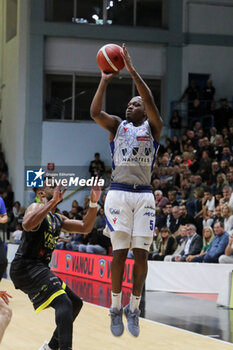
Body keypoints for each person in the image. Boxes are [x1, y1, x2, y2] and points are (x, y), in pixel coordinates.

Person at [90, 43, 162, 337]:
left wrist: (131, 70)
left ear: (144, 109)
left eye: (135, 104)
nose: (129, 106)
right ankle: (115, 307)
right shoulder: (117, 125)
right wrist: (104, 79)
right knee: (119, 254)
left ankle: (135, 307)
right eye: (128, 104)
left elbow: (149, 98)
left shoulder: (154, 127)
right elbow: (95, 112)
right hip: (119, 192)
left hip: (144, 194)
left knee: (141, 256)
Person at [10, 183, 101, 350]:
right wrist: (50, 204)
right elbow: (27, 224)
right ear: (42, 193)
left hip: (40, 267)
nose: (58, 187)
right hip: (25, 266)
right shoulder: (35, 207)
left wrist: (94, 203)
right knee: (63, 303)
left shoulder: (59, 218)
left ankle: (51, 347)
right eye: (52, 186)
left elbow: (85, 227)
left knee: (75, 303)